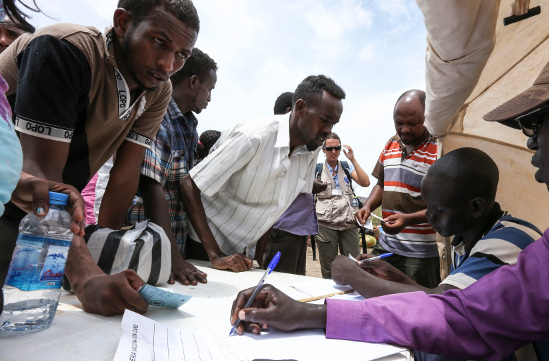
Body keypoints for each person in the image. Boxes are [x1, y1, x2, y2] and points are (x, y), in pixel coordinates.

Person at [216, 25, 549, 361]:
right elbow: (458, 315)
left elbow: (455, 319)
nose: (531, 138)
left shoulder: (510, 243)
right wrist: (310, 314)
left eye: (537, 120)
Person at [0, 0, 200, 316]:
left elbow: (125, 174)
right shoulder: (66, 48)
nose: (167, 63)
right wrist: (86, 277)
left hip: (42, 214)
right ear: (122, 23)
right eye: (159, 42)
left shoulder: (156, 91)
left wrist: (107, 249)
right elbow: (40, 173)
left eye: (181, 54)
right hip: (20, 202)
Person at [333, 147, 549, 361]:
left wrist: (352, 274)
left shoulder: (508, 244)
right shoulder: (469, 238)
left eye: (437, 209)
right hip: (485, 360)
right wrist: (397, 277)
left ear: (476, 207)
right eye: (427, 206)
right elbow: (453, 305)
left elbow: (438, 312)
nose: (428, 216)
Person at [180, 75, 345, 272]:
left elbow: (275, 204)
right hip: (204, 245)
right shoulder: (255, 136)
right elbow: (189, 184)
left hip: (242, 252)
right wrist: (215, 255)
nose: (328, 130)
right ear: (300, 108)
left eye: (333, 124)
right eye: (324, 120)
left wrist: (258, 258)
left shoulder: (311, 149)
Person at [124, 48, 216, 286]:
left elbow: (183, 184)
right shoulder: (159, 114)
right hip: (146, 241)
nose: (209, 98)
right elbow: (149, 183)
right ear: (194, 82)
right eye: (210, 90)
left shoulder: (189, 125)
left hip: (173, 240)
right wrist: (171, 256)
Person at [356, 89, 441, 288]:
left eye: (412, 123)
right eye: (399, 122)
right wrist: (367, 207)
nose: (404, 130)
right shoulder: (391, 143)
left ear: (426, 118)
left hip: (421, 254)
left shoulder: (438, 150)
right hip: (388, 246)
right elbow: (381, 184)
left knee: (416, 305)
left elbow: (444, 205)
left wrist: (409, 219)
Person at [260, 91, 326, 275]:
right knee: (277, 286)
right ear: (294, 111)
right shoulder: (272, 144)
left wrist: (310, 184)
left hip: (297, 227)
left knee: (292, 285)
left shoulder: (305, 145)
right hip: (282, 227)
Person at [315, 133, 369, 278]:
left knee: (354, 266)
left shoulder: (347, 166)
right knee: (328, 268)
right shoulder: (317, 170)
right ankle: (330, 299)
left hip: (349, 224)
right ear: (323, 150)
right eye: (329, 148)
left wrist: (352, 159)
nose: (333, 152)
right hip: (326, 226)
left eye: (337, 148)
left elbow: (366, 183)